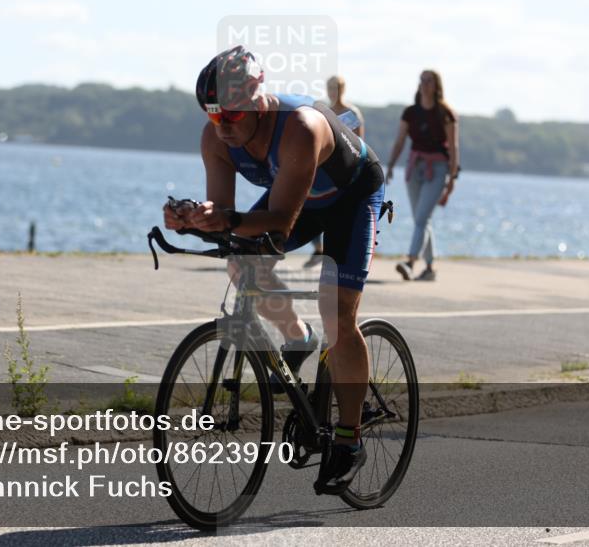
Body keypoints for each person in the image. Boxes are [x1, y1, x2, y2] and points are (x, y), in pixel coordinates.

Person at [163, 45, 386, 494]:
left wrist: (224, 219)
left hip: (351, 199)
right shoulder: (216, 138)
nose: (223, 127)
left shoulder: (299, 129)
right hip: (300, 197)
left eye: (231, 116)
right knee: (239, 259)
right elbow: (225, 215)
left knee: (339, 316)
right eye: (213, 116)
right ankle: (297, 336)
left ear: (257, 101)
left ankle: (349, 439)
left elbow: (281, 225)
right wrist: (193, 217)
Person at [385, 69, 459, 281]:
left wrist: (452, 177)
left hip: (437, 169)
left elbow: (453, 147)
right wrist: (390, 165)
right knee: (422, 219)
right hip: (414, 168)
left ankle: (409, 262)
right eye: (422, 80)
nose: (425, 84)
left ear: (437, 86)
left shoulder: (446, 113)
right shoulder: (411, 113)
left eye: (430, 81)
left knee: (421, 218)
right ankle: (430, 269)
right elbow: (400, 141)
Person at [306, 75, 365, 268]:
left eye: (336, 87)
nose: (333, 91)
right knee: (310, 206)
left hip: (344, 168)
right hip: (323, 167)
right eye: (330, 87)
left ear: (343, 89)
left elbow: (360, 144)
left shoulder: (352, 112)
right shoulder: (323, 111)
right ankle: (318, 248)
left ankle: (339, 254)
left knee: (338, 211)